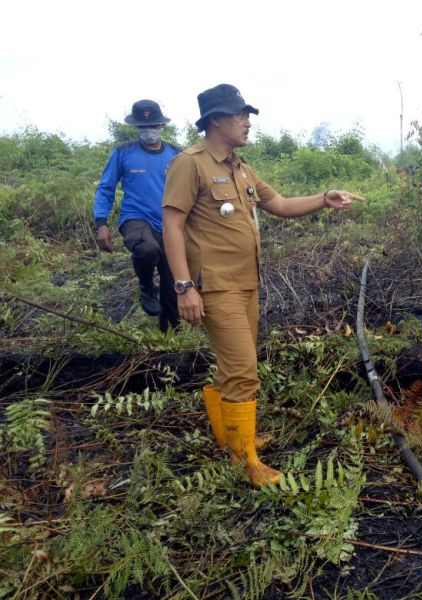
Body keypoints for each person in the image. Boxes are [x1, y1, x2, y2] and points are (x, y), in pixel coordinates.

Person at [162, 84, 363, 488]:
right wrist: (184, 287)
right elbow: (172, 224)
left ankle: (232, 438)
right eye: (241, 116)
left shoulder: (241, 168)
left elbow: (282, 205)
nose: (247, 122)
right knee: (243, 371)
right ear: (217, 120)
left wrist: (325, 197)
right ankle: (245, 460)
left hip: (246, 284)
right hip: (214, 286)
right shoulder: (191, 164)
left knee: (233, 368)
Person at [93, 99, 181, 332]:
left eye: (153, 126)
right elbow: (106, 187)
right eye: (143, 127)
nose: (148, 131)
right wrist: (101, 223)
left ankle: (169, 336)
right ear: (136, 129)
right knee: (146, 249)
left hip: (170, 224)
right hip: (136, 219)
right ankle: (145, 284)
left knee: (172, 286)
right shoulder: (123, 153)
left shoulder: (177, 154)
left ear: (162, 126)